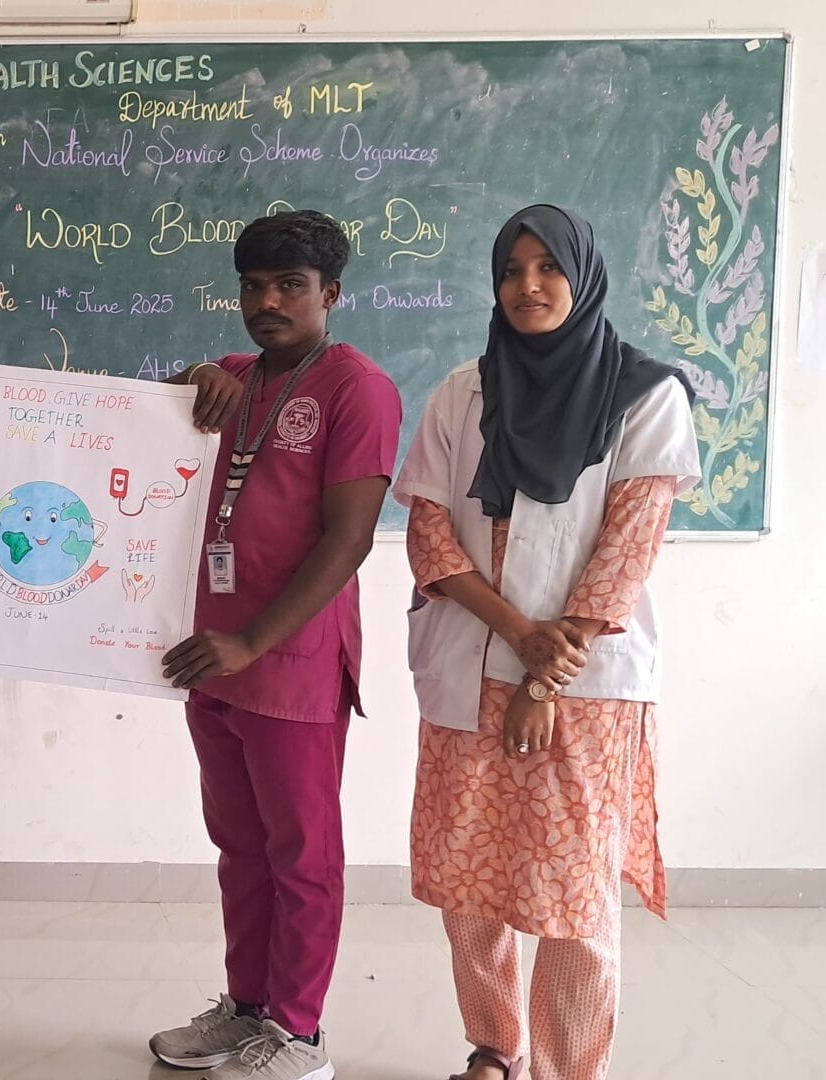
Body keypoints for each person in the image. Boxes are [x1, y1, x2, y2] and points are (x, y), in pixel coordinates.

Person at [393, 205, 698, 1080]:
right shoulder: (463, 392)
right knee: (467, 882)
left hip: (582, 684)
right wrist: (516, 633)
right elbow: (429, 535)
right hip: (471, 663)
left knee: (573, 893)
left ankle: (569, 1070)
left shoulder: (646, 395)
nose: (528, 286)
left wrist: (539, 679)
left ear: (583, 275)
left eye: (548, 267)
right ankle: (496, 1046)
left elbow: (626, 552)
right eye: (511, 270)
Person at [149, 209, 403, 1080]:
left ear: (331, 294)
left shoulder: (358, 389)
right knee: (240, 845)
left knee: (303, 855)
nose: (268, 303)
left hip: (286, 660)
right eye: (253, 287)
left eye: (290, 286)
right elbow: (134, 426)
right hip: (209, 655)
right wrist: (185, 378)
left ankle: (299, 1034)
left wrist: (252, 640)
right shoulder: (229, 377)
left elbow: (350, 537)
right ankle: (246, 1007)